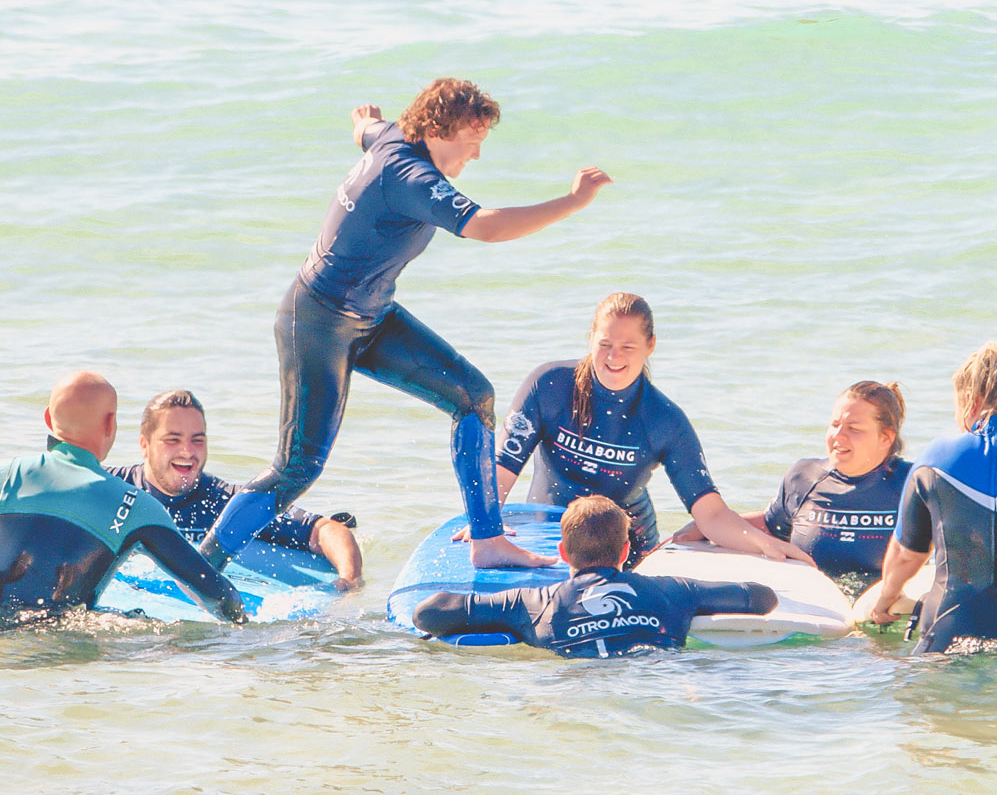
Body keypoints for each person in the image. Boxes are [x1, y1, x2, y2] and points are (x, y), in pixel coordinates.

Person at [199, 78, 611, 571]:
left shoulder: (393, 135)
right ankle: (201, 568)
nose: (477, 154)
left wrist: (363, 122)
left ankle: (487, 541)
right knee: (297, 468)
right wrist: (573, 201)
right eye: (473, 140)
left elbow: (367, 130)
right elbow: (488, 227)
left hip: (371, 318)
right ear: (438, 130)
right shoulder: (413, 178)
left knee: (473, 396)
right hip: (317, 323)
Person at [492, 292, 813, 568]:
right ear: (591, 338)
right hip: (549, 535)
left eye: (628, 347)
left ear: (650, 346)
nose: (614, 356)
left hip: (629, 551)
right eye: (605, 344)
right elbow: (502, 469)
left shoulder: (663, 420)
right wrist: (486, 523)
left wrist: (764, 543)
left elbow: (710, 513)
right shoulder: (550, 386)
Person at [871, 341, 997, 653]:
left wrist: (884, 601)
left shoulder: (933, 458)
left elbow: (906, 554)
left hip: (948, 628)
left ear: (971, 399)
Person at [0, 372, 246, 625]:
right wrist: (243, 625)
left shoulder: (7, 474)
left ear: (48, 419)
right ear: (110, 423)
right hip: (59, 639)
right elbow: (221, 597)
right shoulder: (136, 506)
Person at [413, 495, 778, 657]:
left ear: (562, 553)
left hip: (577, 687)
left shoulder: (534, 603)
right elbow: (761, 598)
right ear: (626, 551)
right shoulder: (672, 590)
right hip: (661, 678)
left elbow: (430, 612)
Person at [108, 389, 363, 590]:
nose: (187, 451)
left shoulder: (227, 504)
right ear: (145, 444)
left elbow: (324, 530)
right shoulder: (109, 489)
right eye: (172, 440)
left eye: (197, 440)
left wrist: (349, 581)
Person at [675, 381, 911, 578]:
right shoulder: (805, 477)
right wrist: (708, 526)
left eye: (854, 428)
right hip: (819, 605)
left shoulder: (912, 483)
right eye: (835, 424)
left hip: (885, 605)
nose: (838, 436)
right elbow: (771, 525)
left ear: (886, 437)